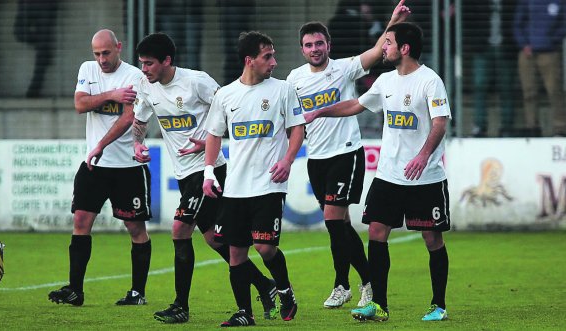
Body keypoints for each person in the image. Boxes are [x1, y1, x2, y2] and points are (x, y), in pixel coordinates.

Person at [305, 22, 451, 322]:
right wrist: (320, 111)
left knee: (431, 238)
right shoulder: (385, 81)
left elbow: (440, 123)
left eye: (389, 43)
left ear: (404, 49)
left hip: (425, 177)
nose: (384, 48)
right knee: (376, 231)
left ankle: (438, 304)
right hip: (388, 175)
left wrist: (423, 156)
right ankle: (379, 305)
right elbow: (355, 105)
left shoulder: (430, 81)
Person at [130, 32, 278, 324]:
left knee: (179, 230)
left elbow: (228, 107)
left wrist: (208, 139)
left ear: (167, 61)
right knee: (214, 240)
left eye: (149, 63)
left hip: (209, 170)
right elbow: (140, 119)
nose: (144, 69)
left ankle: (180, 306)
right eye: (142, 63)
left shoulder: (196, 81)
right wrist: (138, 143)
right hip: (184, 174)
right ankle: (265, 285)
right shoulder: (145, 87)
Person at [286, 0, 410, 309]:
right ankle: (367, 281)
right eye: (308, 45)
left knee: (331, 219)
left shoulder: (343, 68)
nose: (314, 49)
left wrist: (393, 20)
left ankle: (342, 284)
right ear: (302, 49)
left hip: (347, 153)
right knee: (339, 223)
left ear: (329, 44)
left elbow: (378, 50)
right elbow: (289, 119)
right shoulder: (294, 80)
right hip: (316, 158)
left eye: (319, 43)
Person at [203, 31, 306, 327]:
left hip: (269, 185)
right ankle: (244, 313)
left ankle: (284, 290)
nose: (273, 62)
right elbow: (213, 135)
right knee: (236, 253)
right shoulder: (225, 95)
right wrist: (209, 172)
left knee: (265, 248)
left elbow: (297, 129)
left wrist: (287, 160)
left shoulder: (283, 90)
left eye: (273, 55)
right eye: (267, 56)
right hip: (235, 188)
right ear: (250, 61)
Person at [48, 29, 152, 307]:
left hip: (127, 166)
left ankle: (137, 293)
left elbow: (130, 118)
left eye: (106, 52)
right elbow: (80, 104)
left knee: (135, 227)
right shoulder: (88, 69)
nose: (102, 59)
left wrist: (101, 144)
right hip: (94, 166)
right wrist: (112, 95)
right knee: (81, 221)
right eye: (97, 54)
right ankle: (75, 290)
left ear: (119, 47)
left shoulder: (135, 77)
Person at [465, 0, 517, 137]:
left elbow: (516, 20)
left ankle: (507, 127)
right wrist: (474, 42)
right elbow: (469, 20)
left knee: (506, 87)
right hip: (482, 48)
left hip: (505, 48)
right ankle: (479, 126)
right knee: (480, 85)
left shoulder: (510, 3)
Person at [514, 0, 566, 137]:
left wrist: (551, 41)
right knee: (529, 91)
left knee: (554, 90)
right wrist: (524, 43)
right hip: (527, 54)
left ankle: (560, 128)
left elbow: (563, 25)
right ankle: (532, 127)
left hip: (549, 53)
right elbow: (518, 23)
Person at [13, 0, 59, 97]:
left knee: (42, 47)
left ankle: (34, 90)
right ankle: (44, 47)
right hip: (27, 4)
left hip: (46, 5)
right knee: (19, 32)